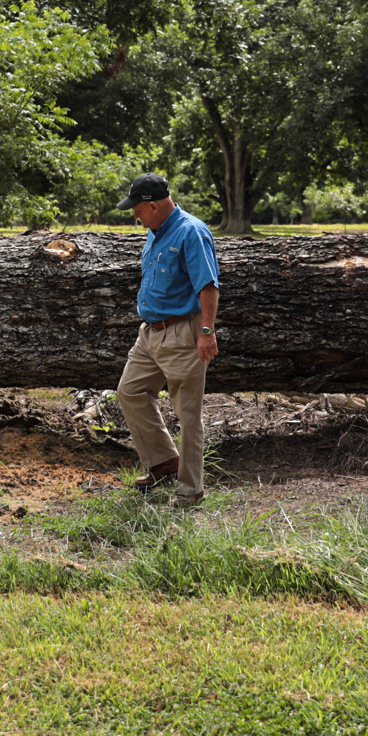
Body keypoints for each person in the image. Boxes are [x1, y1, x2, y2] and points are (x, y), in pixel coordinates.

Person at [113, 172, 220, 508]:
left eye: (138, 209)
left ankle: (191, 491)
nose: (135, 215)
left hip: (182, 333)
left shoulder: (191, 231)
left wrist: (206, 332)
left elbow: (208, 286)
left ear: (154, 205)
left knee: (188, 415)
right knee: (129, 392)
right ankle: (162, 463)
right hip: (150, 334)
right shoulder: (155, 231)